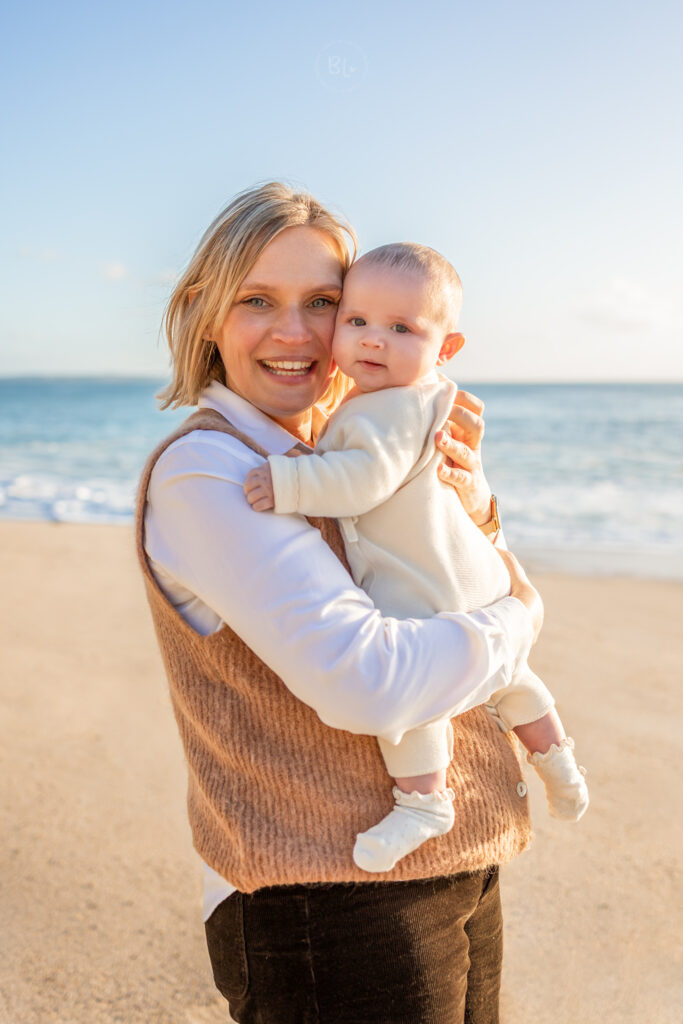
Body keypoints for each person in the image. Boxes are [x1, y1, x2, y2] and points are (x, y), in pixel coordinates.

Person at [137, 182, 546, 1024]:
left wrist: (474, 503)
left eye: (322, 303)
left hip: (453, 861)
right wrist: (520, 615)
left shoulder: (344, 444)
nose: (296, 333)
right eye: (257, 300)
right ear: (205, 313)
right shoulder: (209, 472)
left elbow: (444, 571)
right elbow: (369, 681)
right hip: (327, 907)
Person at [244, 242, 589, 875]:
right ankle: (557, 757)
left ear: (446, 347)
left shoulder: (387, 409)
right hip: (472, 577)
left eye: (401, 328)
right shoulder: (427, 395)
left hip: (423, 590)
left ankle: (425, 801)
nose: (373, 341)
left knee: (416, 698)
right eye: (357, 321)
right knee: (513, 676)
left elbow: (364, 479)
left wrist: (290, 484)